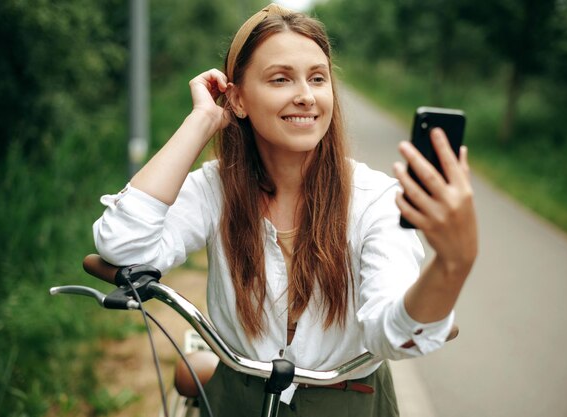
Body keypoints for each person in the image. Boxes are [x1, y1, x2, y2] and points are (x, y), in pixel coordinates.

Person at [93, 3, 477, 416]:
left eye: (317, 78)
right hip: (234, 399)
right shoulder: (215, 188)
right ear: (237, 99)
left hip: (348, 402)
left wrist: (452, 264)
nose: (306, 96)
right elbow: (124, 245)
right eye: (281, 79)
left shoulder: (375, 199)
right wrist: (201, 121)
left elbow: (395, 333)